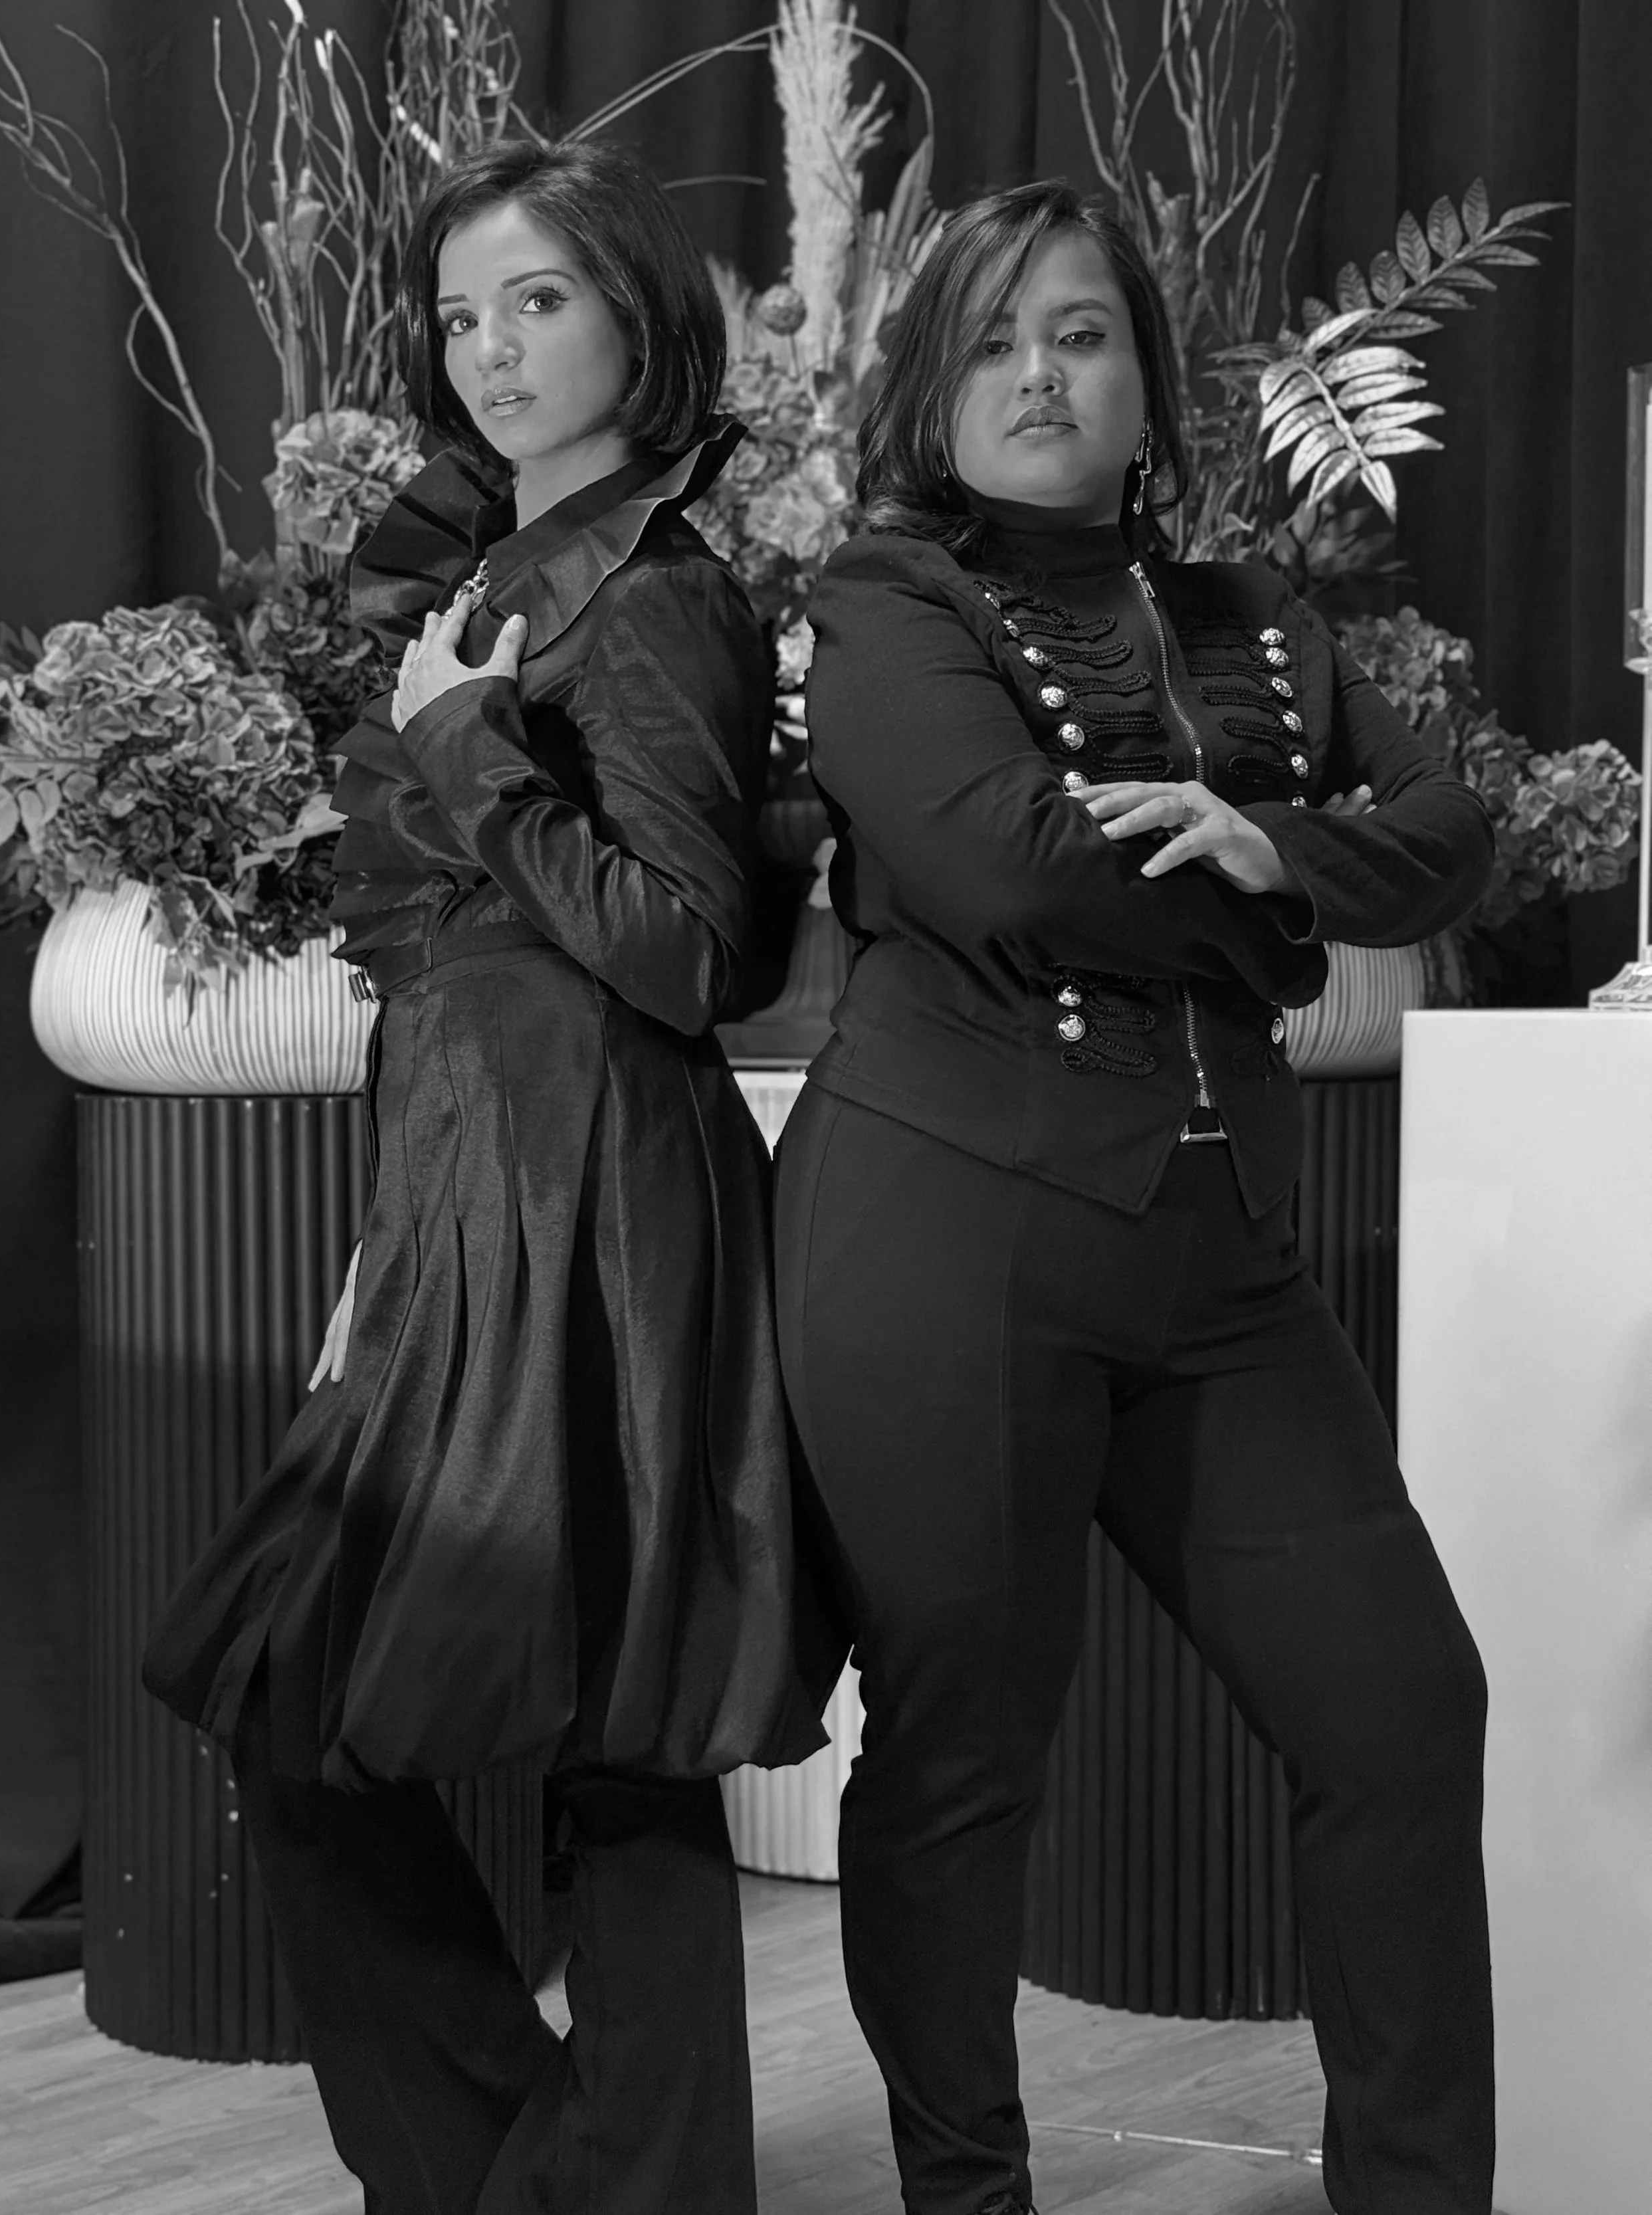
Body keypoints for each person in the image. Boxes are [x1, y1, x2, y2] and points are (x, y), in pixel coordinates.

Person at [775, 179, 1497, 2215]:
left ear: (1141, 382)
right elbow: (1007, 861)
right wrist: (1275, 938)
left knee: (1398, 1708)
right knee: (958, 1758)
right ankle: (967, 2196)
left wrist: (1276, 854)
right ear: (938, 377)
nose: (1039, 372)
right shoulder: (884, 600)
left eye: (1080, 333)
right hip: (947, 1231)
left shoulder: (1262, 619)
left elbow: (1449, 825)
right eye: (998, 336)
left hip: (1218, 1261)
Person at [144, 137, 824, 2215]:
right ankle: (557, 2170)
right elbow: (439, 960)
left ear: (633, 306)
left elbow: (689, 951)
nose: (493, 344)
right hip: (466, 1171)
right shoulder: (499, 577)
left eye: (535, 298)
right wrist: (386, 1238)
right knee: (304, 1694)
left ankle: (594, 2177)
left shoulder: (658, 585)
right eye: (460, 311)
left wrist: (464, 746)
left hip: (595, 1182)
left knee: (610, 1740)